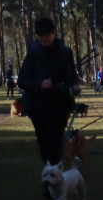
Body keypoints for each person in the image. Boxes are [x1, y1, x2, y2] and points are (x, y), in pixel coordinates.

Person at [18, 16, 80, 189]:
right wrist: (40, 84)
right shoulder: (33, 53)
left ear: (54, 33)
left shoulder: (65, 51)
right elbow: (22, 80)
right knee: (44, 145)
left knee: (54, 143)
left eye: (47, 35)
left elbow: (71, 75)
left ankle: (54, 182)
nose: (44, 39)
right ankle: (51, 175)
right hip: (38, 107)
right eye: (41, 36)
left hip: (59, 106)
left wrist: (74, 85)